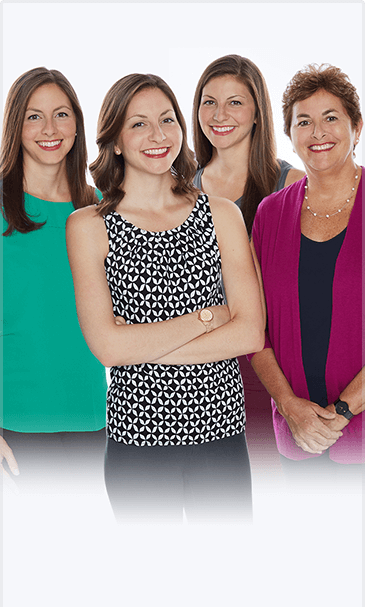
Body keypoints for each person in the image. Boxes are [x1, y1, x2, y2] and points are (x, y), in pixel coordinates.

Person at [66, 73, 265, 523]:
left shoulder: (221, 214)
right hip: (136, 440)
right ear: (115, 140)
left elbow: (250, 332)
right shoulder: (88, 226)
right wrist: (206, 320)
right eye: (138, 124)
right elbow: (108, 349)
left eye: (167, 120)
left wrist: (142, 349)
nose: (158, 136)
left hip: (222, 435)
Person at [249, 63, 363, 478]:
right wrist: (290, 407)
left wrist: (345, 409)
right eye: (304, 121)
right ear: (290, 135)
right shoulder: (270, 213)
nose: (318, 133)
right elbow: (254, 326)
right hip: (297, 434)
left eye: (331, 118)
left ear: (357, 126)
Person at [192, 54, 305, 464]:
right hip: (199, 370)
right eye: (209, 101)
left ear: (258, 112)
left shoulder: (290, 185)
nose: (219, 114)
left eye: (235, 102)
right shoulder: (180, 190)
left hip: (271, 368)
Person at [1, 68, 107, 492]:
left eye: (61, 114)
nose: (50, 129)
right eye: (33, 116)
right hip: (15, 427)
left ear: (77, 125)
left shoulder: (101, 209)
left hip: (98, 423)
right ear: (15, 126)